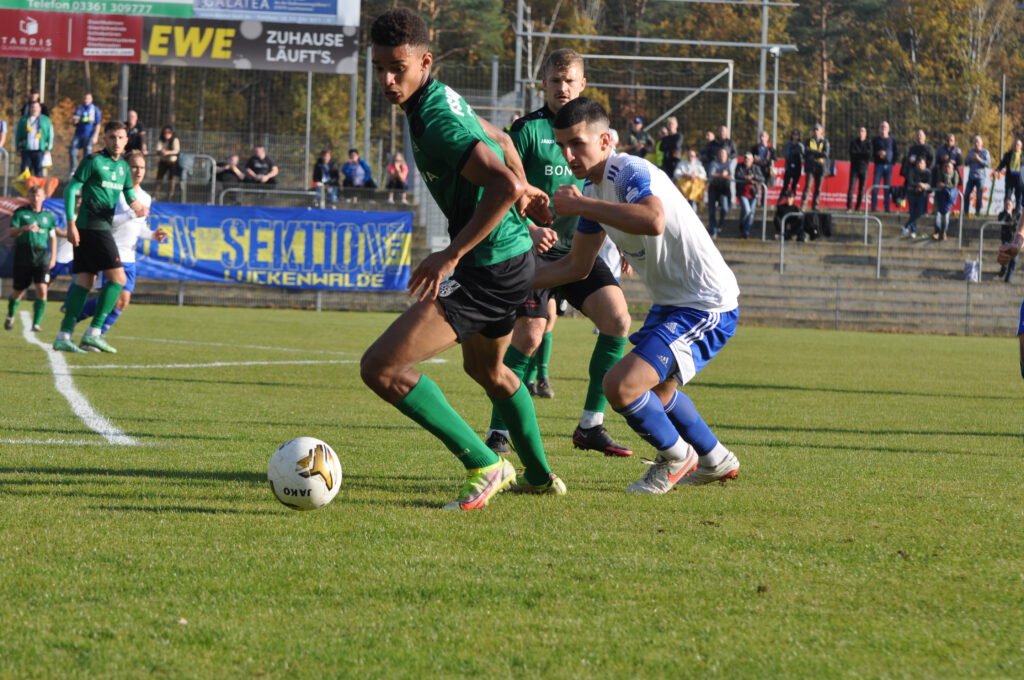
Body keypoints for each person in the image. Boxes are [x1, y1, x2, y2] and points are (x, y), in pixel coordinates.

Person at [361, 8, 561, 509]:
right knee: (490, 373)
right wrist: (523, 193)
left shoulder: (432, 117)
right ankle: (537, 476)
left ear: (424, 61)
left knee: (382, 367)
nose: (387, 78)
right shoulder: (438, 96)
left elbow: (502, 180)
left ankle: (484, 462)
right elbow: (501, 140)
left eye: (397, 67)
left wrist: (453, 252)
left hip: (487, 268)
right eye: (379, 66)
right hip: (512, 262)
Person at [540, 96, 741, 493]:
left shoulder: (627, 170)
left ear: (606, 140)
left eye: (577, 143)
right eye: (561, 145)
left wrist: (586, 205)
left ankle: (677, 457)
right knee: (657, 392)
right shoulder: (591, 190)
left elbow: (652, 219)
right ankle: (715, 459)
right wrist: (512, 280)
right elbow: (577, 267)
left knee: (621, 386)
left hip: (706, 304)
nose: (568, 154)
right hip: (673, 304)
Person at [484, 47, 633, 459]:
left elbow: (608, 192)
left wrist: (621, 241)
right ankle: (499, 431)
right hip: (534, 253)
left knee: (618, 320)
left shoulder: (600, 135)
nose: (562, 88)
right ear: (543, 85)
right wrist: (529, 228)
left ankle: (591, 425)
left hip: (583, 249)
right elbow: (499, 188)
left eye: (570, 81)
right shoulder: (526, 132)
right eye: (555, 81)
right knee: (530, 337)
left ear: (582, 84)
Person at [53, 121, 148, 354]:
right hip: (93, 227)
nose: (116, 142)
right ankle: (94, 332)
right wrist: (70, 223)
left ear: (127, 141)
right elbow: (70, 190)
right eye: (112, 137)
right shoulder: (93, 161)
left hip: (97, 227)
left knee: (84, 283)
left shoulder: (123, 168)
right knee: (118, 280)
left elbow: (127, 194)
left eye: (121, 138)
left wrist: (137, 206)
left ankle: (64, 335)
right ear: (104, 139)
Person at [74, 150, 168, 340]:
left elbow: (138, 227)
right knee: (113, 298)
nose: (138, 171)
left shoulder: (146, 197)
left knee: (123, 302)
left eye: (142, 167)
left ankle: (93, 334)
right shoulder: (114, 192)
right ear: (125, 168)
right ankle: (75, 318)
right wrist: (132, 214)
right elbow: (107, 222)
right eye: (134, 166)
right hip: (110, 251)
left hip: (130, 256)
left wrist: (152, 235)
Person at [4, 186, 58, 332]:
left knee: (42, 289)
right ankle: (10, 314)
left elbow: (53, 238)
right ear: (29, 197)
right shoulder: (21, 213)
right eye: (33, 195)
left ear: (44, 197)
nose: (35, 198)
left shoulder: (48, 216)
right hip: (24, 256)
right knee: (18, 292)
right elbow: (10, 232)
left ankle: (36, 324)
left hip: (42, 257)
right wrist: (23, 228)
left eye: (38, 195)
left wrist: (53, 258)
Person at [15, 101, 52, 177]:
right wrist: (18, 148)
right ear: (29, 109)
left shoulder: (46, 120)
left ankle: (38, 188)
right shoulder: (23, 120)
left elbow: (50, 135)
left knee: (38, 172)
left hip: (39, 151)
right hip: (26, 150)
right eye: (32, 107)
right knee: (25, 172)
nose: (34, 109)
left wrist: (48, 148)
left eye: (36, 107)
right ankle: (25, 188)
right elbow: (18, 134)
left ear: (40, 108)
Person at [69, 93, 101, 176]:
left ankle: (86, 171)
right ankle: (73, 170)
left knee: (87, 154)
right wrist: (75, 121)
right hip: (78, 134)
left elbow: (98, 124)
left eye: (88, 98)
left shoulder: (95, 110)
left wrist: (96, 135)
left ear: (91, 99)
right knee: (73, 150)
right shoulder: (79, 108)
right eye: (85, 98)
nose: (86, 100)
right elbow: (74, 121)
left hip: (89, 135)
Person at [734, 152, 764, 239]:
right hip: (743, 192)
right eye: (745, 158)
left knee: (751, 214)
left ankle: (746, 231)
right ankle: (742, 224)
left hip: (753, 193)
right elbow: (737, 175)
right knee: (747, 211)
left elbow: (762, 178)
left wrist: (753, 177)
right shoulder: (740, 166)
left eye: (748, 159)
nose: (746, 160)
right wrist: (745, 178)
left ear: (752, 160)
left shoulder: (756, 168)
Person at [900, 156, 931, 238]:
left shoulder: (928, 173)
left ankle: (906, 226)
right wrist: (919, 185)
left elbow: (929, 183)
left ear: (925, 165)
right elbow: (910, 182)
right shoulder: (912, 171)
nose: (920, 165)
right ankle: (913, 231)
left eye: (922, 163)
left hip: (922, 195)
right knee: (912, 212)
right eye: (918, 163)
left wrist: (923, 186)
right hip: (912, 194)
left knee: (920, 212)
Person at [871, 121, 898, 212]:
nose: (883, 128)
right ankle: (873, 207)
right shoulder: (875, 140)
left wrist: (892, 162)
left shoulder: (892, 140)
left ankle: (887, 208)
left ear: (889, 129)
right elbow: (871, 152)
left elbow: (896, 152)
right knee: (875, 187)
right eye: (882, 126)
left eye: (885, 127)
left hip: (889, 166)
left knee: (887, 188)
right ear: (879, 128)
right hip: (878, 165)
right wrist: (877, 154)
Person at [801, 123, 829, 210]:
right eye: (814, 130)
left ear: (821, 131)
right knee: (808, 186)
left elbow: (825, 154)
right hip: (810, 167)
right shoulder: (808, 141)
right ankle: (803, 205)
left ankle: (815, 205)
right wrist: (818, 153)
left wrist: (813, 153)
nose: (816, 131)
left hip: (820, 167)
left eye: (817, 129)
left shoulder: (825, 142)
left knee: (818, 188)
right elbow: (806, 152)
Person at [707, 147, 733, 238]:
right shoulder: (713, 163)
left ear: (727, 155)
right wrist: (722, 175)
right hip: (714, 187)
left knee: (725, 208)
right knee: (712, 210)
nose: (722, 155)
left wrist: (724, 175)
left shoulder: (730, 164)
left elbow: (732, 176)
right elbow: (711, 175)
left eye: (723, 153)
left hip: (724, 189)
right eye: (720, 153)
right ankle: (713, 229)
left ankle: (720, 223)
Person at [963, 135, 991, 217]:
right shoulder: (970, 151)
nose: (976, 143)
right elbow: (966, 162)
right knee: (966, 194)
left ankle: (977, 212)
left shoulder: (985, 152)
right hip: (971, 177)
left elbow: (988, 164)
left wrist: (979, 159)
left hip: (980, 177)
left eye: (978, 141)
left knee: (979, 196)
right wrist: (970, 159)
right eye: (975, 141)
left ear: (981, 143)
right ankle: (966, 212)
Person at [932, 159, 960, 241]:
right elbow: (937, 183)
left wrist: (945, 185)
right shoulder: (940, 173)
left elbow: (955, 185)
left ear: (952, 168)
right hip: (939, 196)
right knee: (937, 215)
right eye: (945, 167)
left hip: (948, 197)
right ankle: (937, 232)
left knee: (946, 217)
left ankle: (944, 232)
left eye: (949, 167)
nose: (947, 168)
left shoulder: (955, 174)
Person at [847, 126, 871, 211]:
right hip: (854, 169)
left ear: (866, 134)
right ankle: (849, 206)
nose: (861, 133)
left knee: (861, 189)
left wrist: (859, 154)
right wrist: (862, 155)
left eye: (863, 131)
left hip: (864, 169)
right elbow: (852, 154)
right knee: (851, 187)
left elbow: (868, 155)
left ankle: (858, 207)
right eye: (860, 131)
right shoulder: (854, 143)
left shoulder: (868, 143)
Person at [996, 138, 1023, 211]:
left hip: (1019, 179)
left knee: (1019, 197)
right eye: (1014, 144)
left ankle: (1017, 212)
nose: (1016, 146)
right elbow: (1002, 164)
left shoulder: (1022, 156)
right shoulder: (1008, 155)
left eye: (1018, 145)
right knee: (1007, 196)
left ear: (1021, 146)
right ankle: (1007, 211)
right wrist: (997, 170)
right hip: (1009, 179)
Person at [155, 126, 181, 200]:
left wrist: (167, 152)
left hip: (173, 162)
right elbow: (158, 149)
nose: (167, 134)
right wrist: (161, 152)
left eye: (169, 132)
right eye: (165, 132)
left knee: (172, 179)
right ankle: (156, 193)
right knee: (159, 178)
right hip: (163, 162)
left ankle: (170, 195)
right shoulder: (161, 140)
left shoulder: (175, 140)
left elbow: (176, 150)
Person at [750, 130, 776, 206]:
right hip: (757, 169)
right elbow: (751, 156)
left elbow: (774, 158)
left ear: (767, 138)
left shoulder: (771, 148)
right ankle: (756, 203)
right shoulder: (755, 147)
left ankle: (763, 204)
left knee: (765, 187)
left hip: (766, 169)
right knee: (756, 187)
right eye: (761, 136)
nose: (762, 138)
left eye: (764, 136)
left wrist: (770, 162)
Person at [996, 198, 1019, 283]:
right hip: (1005, 239)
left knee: (1014, 260)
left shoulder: (1016, 214)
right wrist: (1007, 213)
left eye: (1009, 204)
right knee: (1005, 256)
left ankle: (1008, 278)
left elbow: (1017, 222)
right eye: (1006, 204)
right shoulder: (1002, 214)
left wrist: (1012, 219)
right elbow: (1001, 220)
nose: (1007, 206)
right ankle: (1003, 269)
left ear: (1012, 205)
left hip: (1014, 240)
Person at [781, 130, 803, 196]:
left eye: (797, 135)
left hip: (797, 167)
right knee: (786, 185)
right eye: (794, 135)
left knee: (794, 185)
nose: (795, 136)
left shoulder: (800, 146)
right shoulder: (788, 145)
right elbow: (786, 154)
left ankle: (792, 201)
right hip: (789, 166)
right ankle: (781, 201)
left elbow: (802, 156)